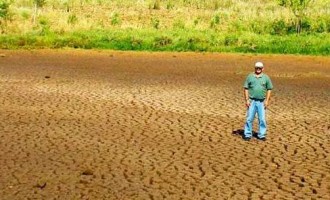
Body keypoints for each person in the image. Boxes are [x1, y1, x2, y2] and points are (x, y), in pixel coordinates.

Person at [243, 61, 273, 141]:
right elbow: (246, 88)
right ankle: (247, 134)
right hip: (252, 101)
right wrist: (247, 100)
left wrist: (267, 100)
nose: (258, 69)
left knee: (262, 119)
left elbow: (269, 89)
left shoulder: (266, 78)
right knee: (249, 118)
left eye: (260, 68)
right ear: (255, 68)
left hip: (261, 102)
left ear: (263, 68)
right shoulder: (250, 77)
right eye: (257, 68)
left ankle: (261, 135)